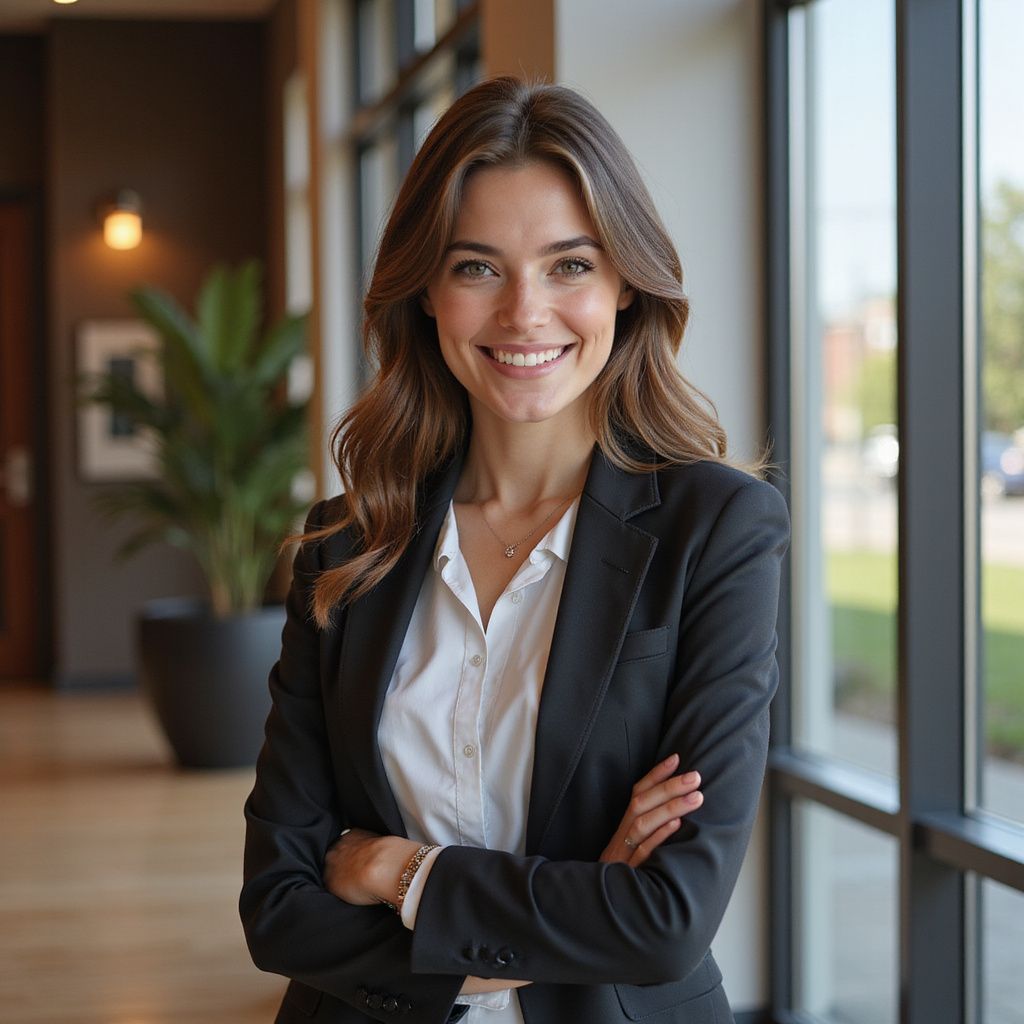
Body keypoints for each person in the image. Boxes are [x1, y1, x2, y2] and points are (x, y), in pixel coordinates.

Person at [240, 76, 790, 1024]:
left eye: (569, 265)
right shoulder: (347, 544)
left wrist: (396, 869)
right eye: (478, 267)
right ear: (426, 293)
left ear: (625, 284)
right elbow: (280, 910)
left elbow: (665, 920)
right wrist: (563, 914)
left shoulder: (719, 530)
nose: (524, 313)